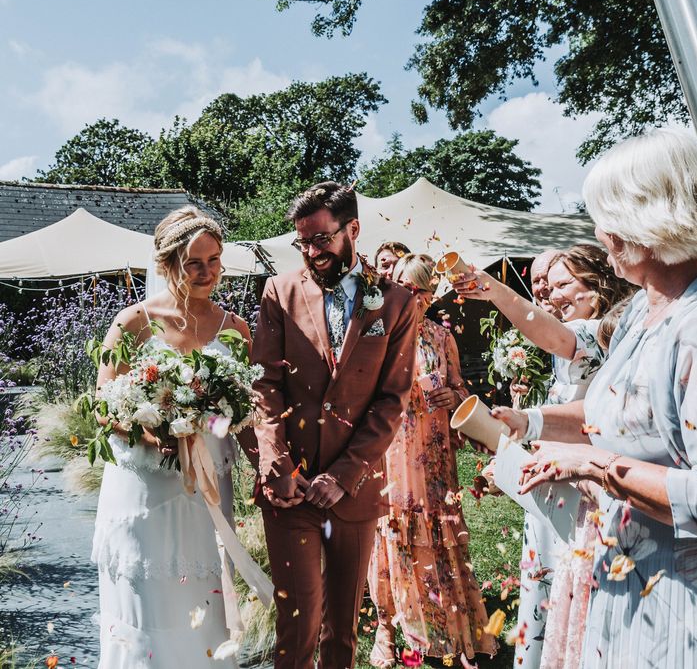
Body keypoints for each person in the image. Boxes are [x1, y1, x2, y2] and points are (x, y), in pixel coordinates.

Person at [496, 128, 697, 667]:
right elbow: (609, 414)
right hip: (631, 593)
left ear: (650, 220)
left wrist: (598, 466)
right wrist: (527, 422)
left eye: (607, 217)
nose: (600, 235)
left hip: (695, 615)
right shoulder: (644, 313)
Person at [251, 182, 419, 669]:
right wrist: (276, 464)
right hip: (290, 486)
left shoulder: (395, 303)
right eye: (301, 241)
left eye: (321, 239)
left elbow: (392, 400)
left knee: (341, 631)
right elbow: (264, 384)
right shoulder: (279, 292)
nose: (310, 251)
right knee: (298, 622)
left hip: (356, 487)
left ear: (353, 230)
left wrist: (344, 475)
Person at [452, 244, 632, 668]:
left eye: (564, 283)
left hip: (584, 486)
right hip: (553, 479)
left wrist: (494, 289)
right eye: (549, 287)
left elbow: (558, 337)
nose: (553, 294)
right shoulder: (576, 334)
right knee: (546, 583)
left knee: (576, 587)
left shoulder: (598, 332)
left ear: (598, 283)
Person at [92, 207, 252, 667]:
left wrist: (204, 427)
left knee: (203, 603)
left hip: (205, 489)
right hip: (144, 487)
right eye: (194, 263)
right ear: (166, 265)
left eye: (215, 260)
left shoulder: (234, 329)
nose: (207, 273)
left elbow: (238, 418)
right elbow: (104, 406)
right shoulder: (133, 323)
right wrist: (153, 429)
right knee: (149, 599)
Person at [367, 254, 497, 667]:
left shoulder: (442, 338)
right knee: (393, 535)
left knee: (438, 535)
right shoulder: (375, 333)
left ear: (429, 295)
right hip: (392, 451)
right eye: (401, 288)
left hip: (436, 450)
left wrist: (451, 397)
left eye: (416, 290)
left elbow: (461, 390)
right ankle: (389, 629)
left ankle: (453, 630)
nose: (407, 297)